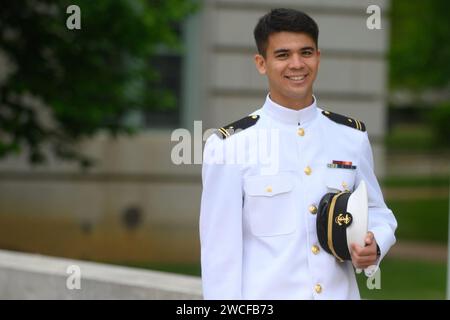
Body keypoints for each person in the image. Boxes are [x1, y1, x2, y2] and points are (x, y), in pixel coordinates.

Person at [199, 8, 397, 300]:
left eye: (306, 52)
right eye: (282, 55)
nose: (297, 64)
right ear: (261, 63)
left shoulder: (351, 137)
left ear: (318, 57)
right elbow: (220, 256)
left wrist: (374, 244)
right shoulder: (230, 146)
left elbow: (378, 213)